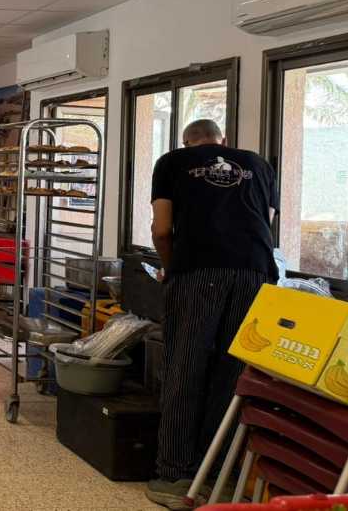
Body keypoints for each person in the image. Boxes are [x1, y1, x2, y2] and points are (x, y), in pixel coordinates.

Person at [145, 119, 279, 510]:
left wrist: (171, 269)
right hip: (255, 272)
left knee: (184, 367)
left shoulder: (172, 162)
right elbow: (266, 222)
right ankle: (216, 472)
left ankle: (174, 476)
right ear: (224, 140)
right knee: (232, 372)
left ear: (187, 142)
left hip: (199, 270)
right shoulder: (257, 164)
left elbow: (162, 229)